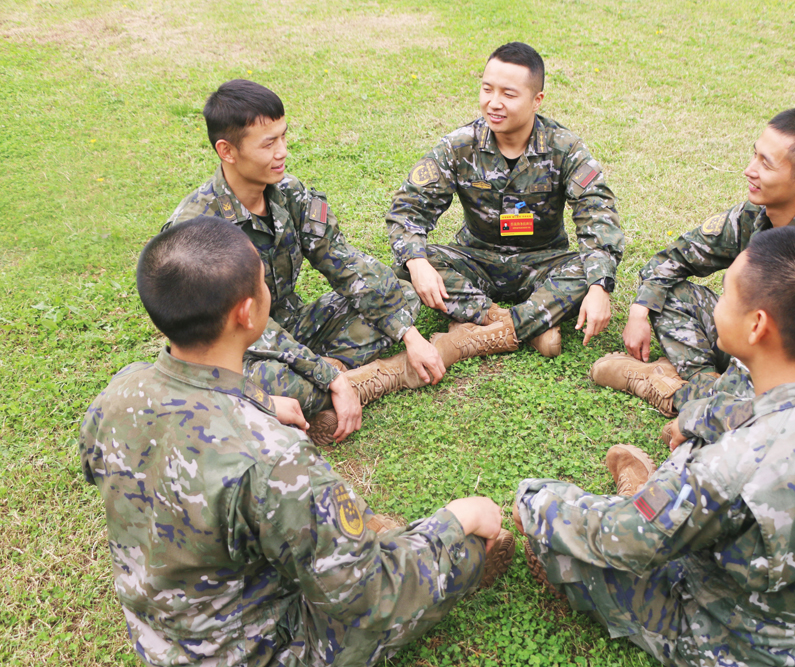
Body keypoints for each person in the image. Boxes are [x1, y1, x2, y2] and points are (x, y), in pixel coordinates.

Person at [79, 216, 515, 667]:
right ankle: (459, 548)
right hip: (262, 652)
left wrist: (258, 400)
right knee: (456, 550)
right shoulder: (274, 460)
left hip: (160, 637)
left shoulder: (118, 394)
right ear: (247, 313)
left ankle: (349, 534)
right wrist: (455, 519)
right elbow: (371, 597)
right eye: (263, 282)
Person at [513, 226, 795, 666]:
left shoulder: (729, 469)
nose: (716, 306)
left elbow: (628, 540)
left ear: (757, 325)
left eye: (724, 296)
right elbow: (760, 409)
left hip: (729, 641)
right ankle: (658, 500)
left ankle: (642, 497)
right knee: (673, 503)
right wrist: (696, 417)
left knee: (558, 540)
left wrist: (535, 499)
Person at [166, 79, 453, 446]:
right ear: (228, 151)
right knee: (278, 384)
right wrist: (326, 375)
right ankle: (330, 382)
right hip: (235, 347)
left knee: (399, 296)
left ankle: (324, 383)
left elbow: (345, 263)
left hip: (291, 323)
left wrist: (409, 336)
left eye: (283, 137)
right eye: (268, 144)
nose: (282, 151)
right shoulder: (197, 228)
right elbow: (236, 327)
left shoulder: (289, 193)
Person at [591, 109, 795, 443]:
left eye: (766, 163)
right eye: (755, 154)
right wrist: (639, 311)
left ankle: (672, 390)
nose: (749, 170)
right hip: (754, 343)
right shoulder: (754, 213)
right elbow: (676, 257)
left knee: (767, 430)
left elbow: (793, 362)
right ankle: (703, 391)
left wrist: (702, 420)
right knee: (672, 297)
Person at [386, 42, 624, 360]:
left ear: (536, 100)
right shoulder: (459, 146)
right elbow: (409, 207)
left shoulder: (565, 148)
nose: (493, 103)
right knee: (413, 262)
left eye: (508, 94)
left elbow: (597, 212)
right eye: (487, 89)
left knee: (590, 270)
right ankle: (520, 322)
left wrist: (599, 287)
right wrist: (417, 263)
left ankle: (481, 332)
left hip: (543, 263)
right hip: (475, 260)